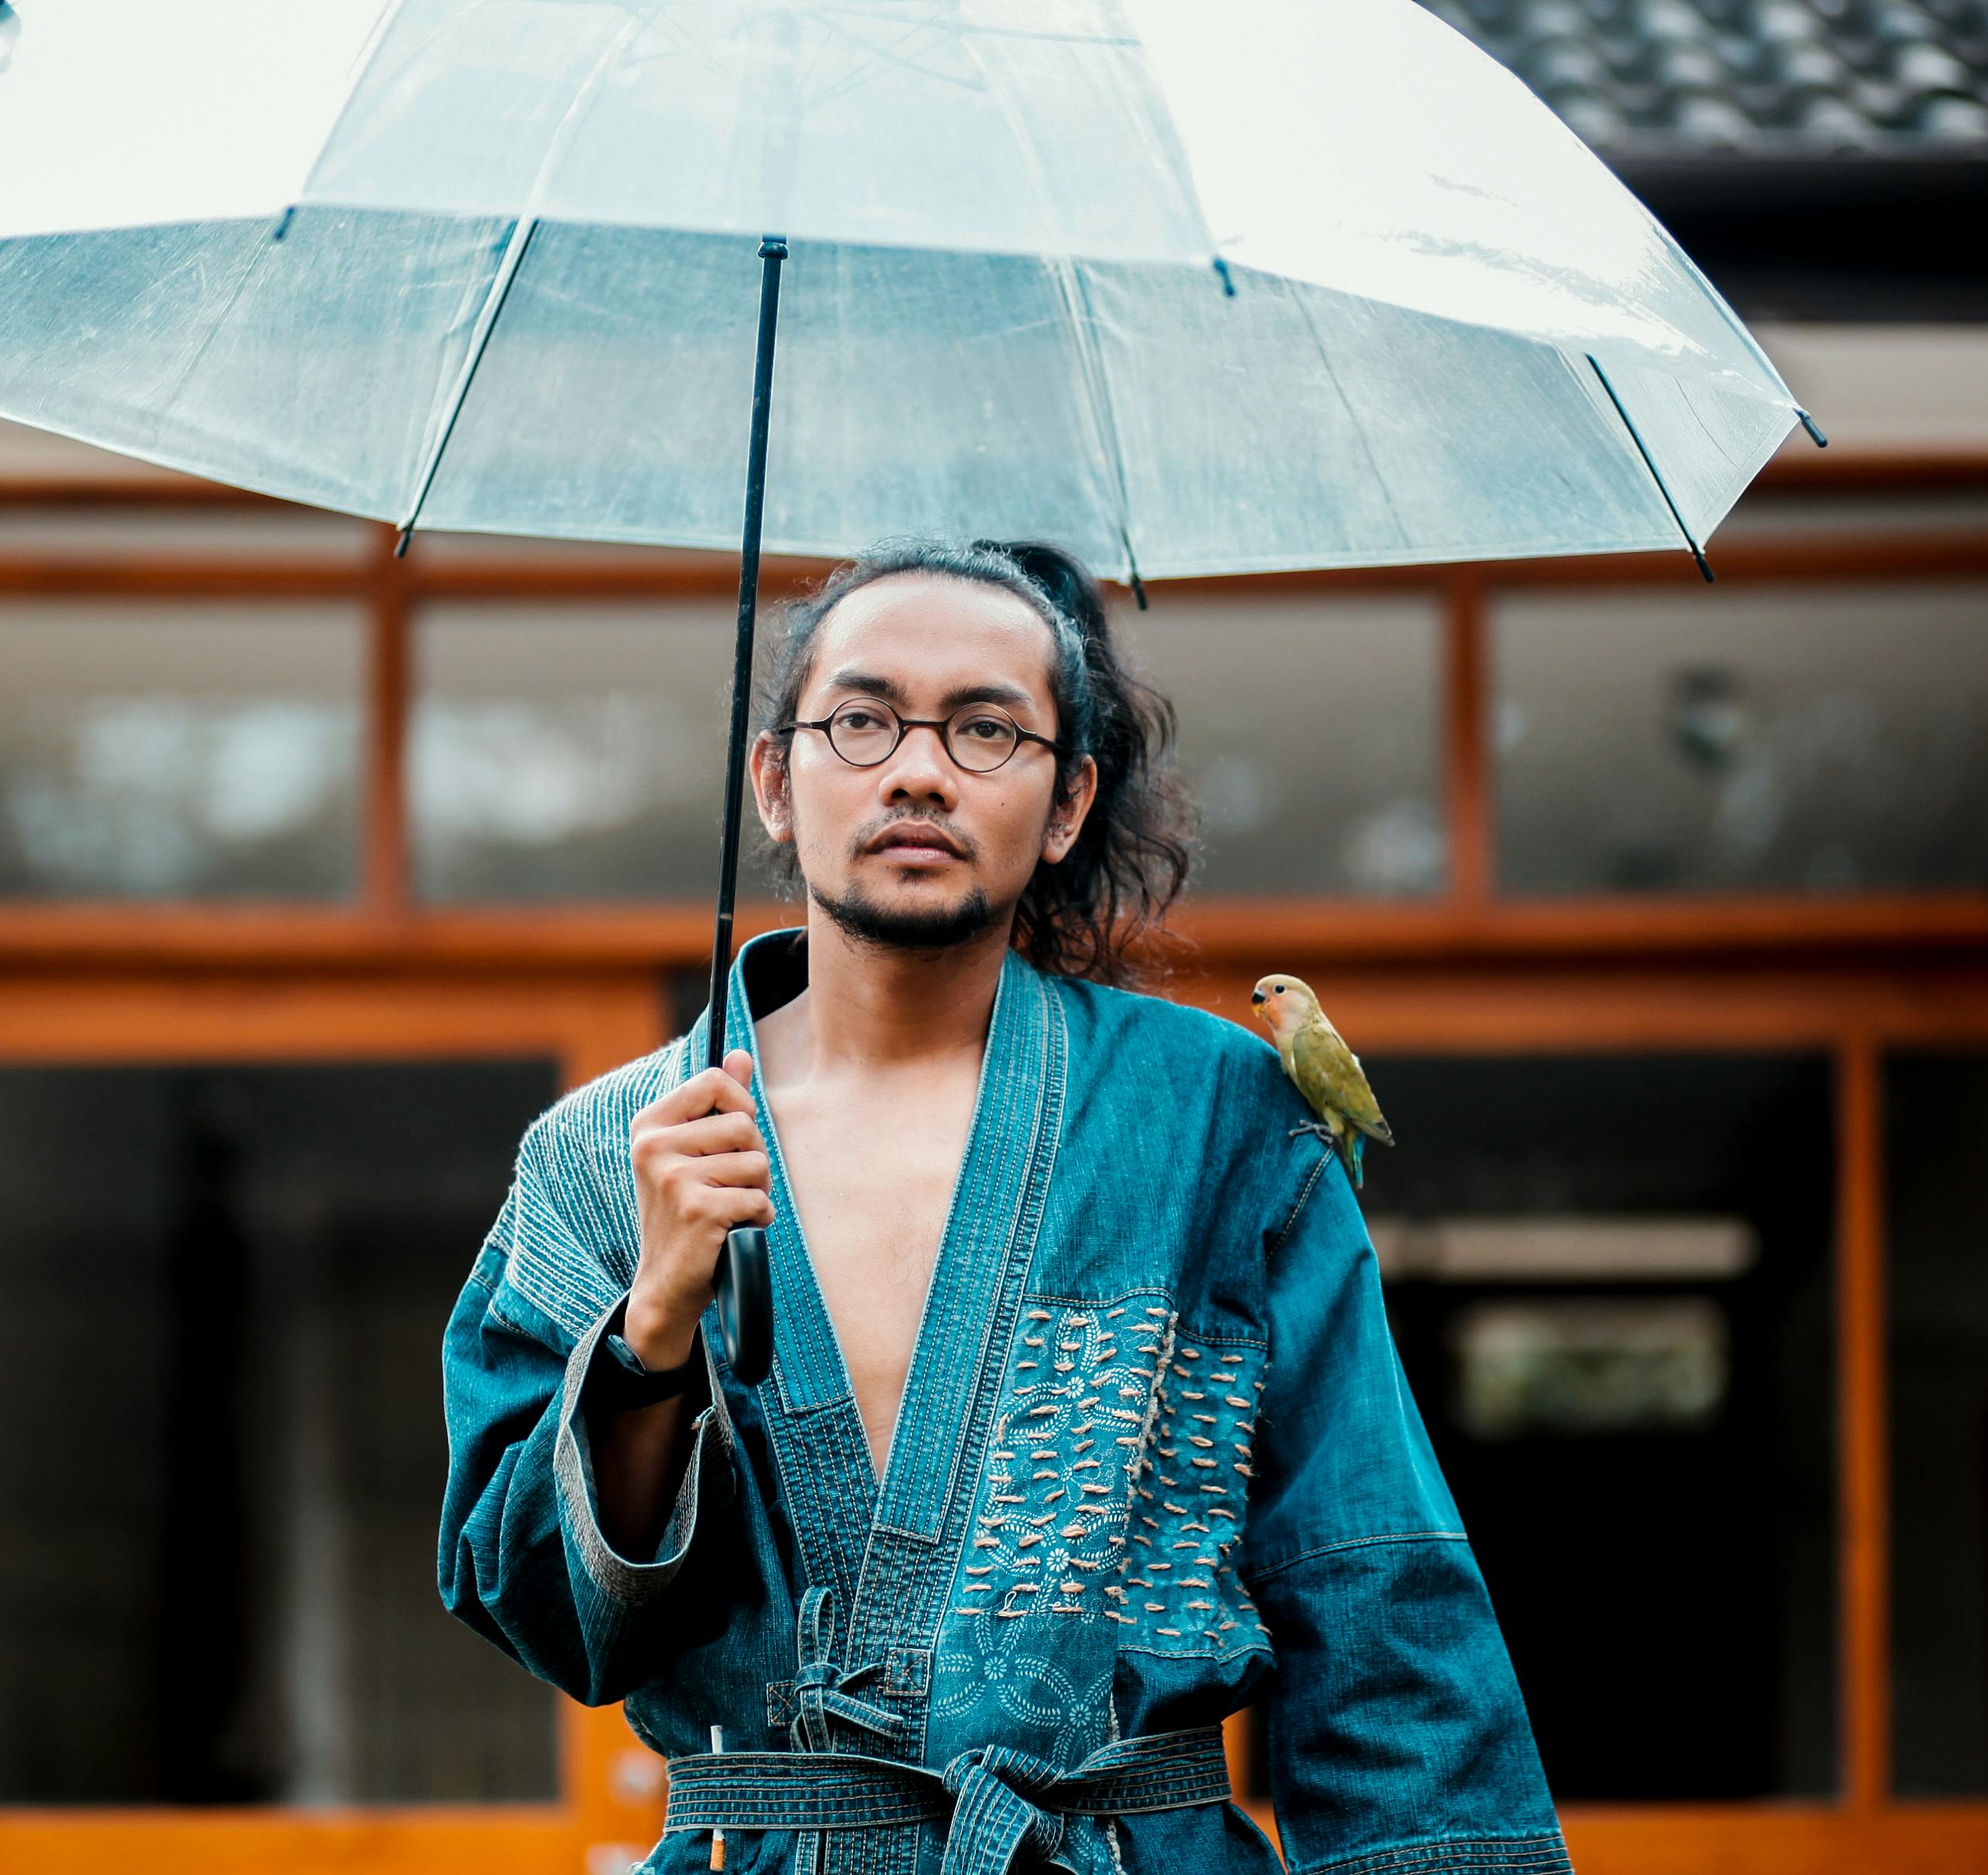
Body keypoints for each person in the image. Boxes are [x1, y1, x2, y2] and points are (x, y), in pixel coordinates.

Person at [439, 541, 1567, 1875]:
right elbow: (549, 1615)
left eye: (985, 728)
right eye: (860, 721)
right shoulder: (615, 1156)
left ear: (1070, 798)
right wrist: (653, 1334)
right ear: (774, 781)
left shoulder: (1222, 1122)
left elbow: (1376, 1604)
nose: (917, 769)